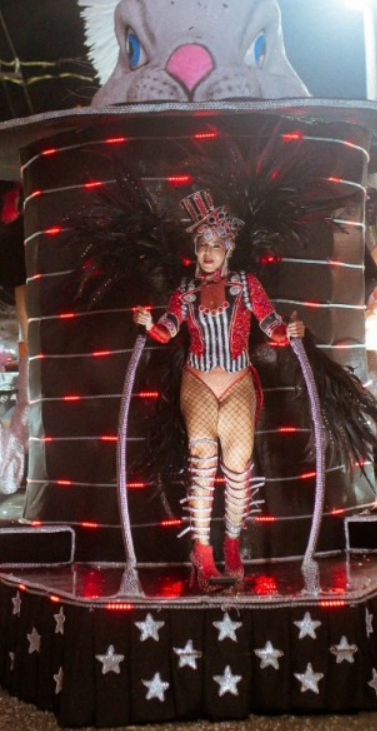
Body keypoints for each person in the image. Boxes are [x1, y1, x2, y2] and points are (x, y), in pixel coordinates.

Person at [131, 191, 304, 590]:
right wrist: (148, 324)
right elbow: (169, 327)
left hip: (239, 379)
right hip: (198, 380)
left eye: (215, 245)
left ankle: (231, 543)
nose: (208, 252)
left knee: (238, 464)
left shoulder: (246, 285)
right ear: (196, 251)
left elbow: (271, 322)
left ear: (228, 249)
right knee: (203, 458)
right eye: (202, 245)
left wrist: (288, 332)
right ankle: (203, 551)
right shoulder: (185, 291)